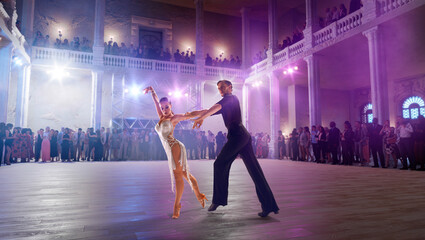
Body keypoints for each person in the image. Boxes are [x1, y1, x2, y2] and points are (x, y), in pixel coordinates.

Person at [190, 80, 279, 217]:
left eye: (223, 87)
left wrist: (202, 117)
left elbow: (214, 108)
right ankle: (269, 205)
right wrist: (189, 115)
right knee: (255, 170)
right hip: (242, 135)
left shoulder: (231, 98)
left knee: (219, 163)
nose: (221, 90)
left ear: (230, 88)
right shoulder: (225, 102)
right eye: (219, 88)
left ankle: (219, 200)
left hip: (238, 135)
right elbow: (209, 110)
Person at [144, 86, 207, 219]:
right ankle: (199, 195)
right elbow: (156, 102)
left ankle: (177, 206)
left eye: (167, 106)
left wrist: (206, 112)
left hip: (175, 148)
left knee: (178, 176)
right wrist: (152, 91)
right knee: (185, 174)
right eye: (162, 107)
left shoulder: (174, 118)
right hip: (169, 150)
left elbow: (189, 115)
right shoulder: (161, 116)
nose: (164, 109)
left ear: (171, 106)